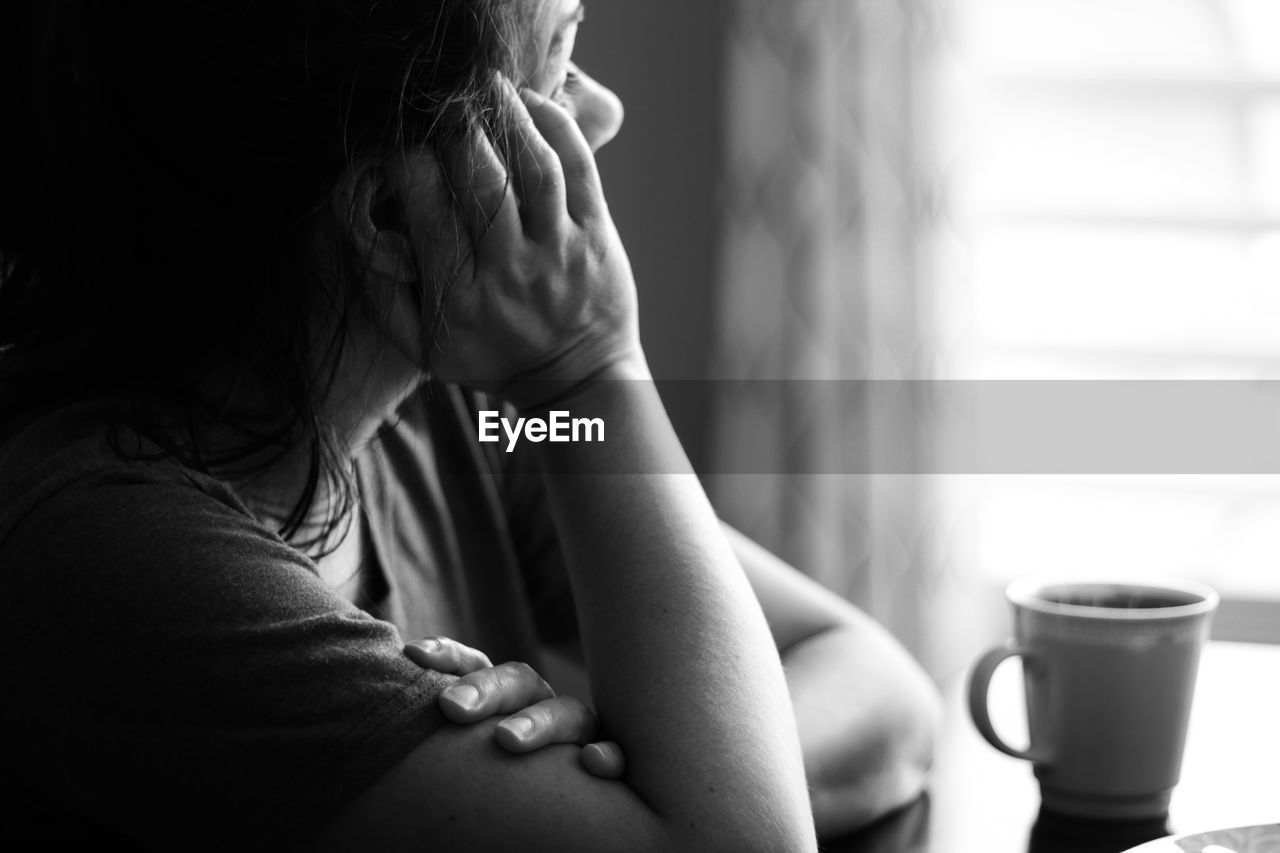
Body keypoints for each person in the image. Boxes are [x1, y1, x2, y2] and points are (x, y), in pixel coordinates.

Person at [0, 1, 941, 849]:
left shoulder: (465, 424)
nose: (603, 111)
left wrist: (643, 786)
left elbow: (878, 689)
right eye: (560, 61)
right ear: (389, 213)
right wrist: (593, 368)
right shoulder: (112, 558)